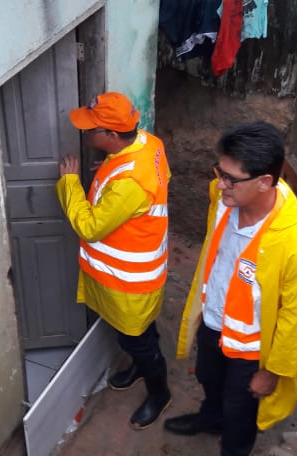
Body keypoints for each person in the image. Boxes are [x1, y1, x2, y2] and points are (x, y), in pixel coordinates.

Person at [169, 121, 297, 456]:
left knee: (241, 408)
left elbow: (296, 320)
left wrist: (271, 372)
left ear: (265, 183)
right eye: (220, 173)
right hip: (213, 320)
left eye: (231, 178)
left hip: (251, 348)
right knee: (207, 377)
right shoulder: (223, 200)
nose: (220, 184)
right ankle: (210, 418)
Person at [56, 92, 173, 430]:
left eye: (91, 129)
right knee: (136, 332)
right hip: (136, 272)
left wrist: (69, 183)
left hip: (130, 281)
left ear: (110, 135)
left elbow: (89, 227)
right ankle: (140, 367)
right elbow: (159, 176)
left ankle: (159, 393)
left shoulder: (130, 184)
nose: (85, 134)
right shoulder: (148, 143)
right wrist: (108, 169)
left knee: (137, 339)